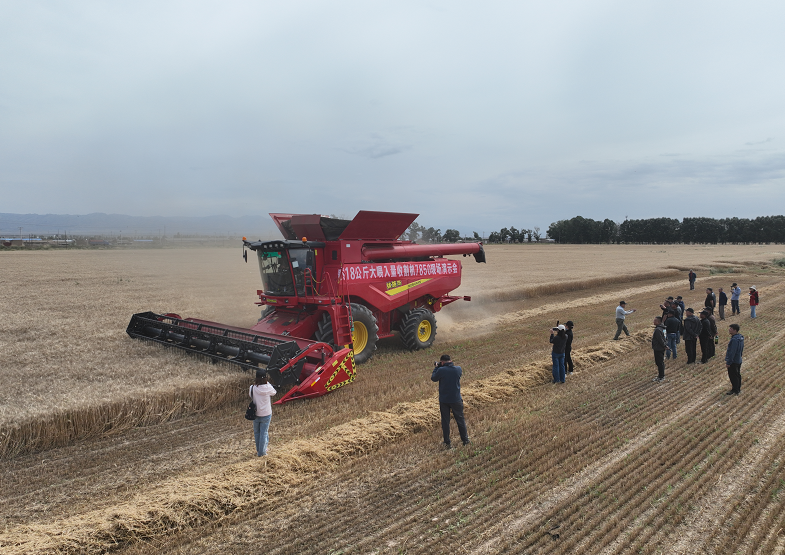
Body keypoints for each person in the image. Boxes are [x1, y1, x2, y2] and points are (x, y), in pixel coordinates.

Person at [431, 354, 469, 448]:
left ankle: (447, 442)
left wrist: (436, 367)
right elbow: (453, 371)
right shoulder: (458, 369)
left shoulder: (441, 370)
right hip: (456, 399)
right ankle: (465, 440)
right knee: (460, 420)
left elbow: (433, 378)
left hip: (444, 400)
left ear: (442, 362)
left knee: (445, 421)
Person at [250, 370, 277, 457]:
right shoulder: (268, 388)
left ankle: (259, 449)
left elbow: (251, 395)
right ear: (265, 378)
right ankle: (262, 452)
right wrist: (267, 383)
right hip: (266, 414)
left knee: (257, 432)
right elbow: (274, 392)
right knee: (264, 433)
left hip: (255, 413)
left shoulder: (252, 388)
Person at [725, 323, 744, 395]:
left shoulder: (734, 340)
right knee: (737, 375)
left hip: (733, 361)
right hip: (738, 359)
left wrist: (729, 362)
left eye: (731, 329)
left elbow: (732, 352)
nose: (729, 330)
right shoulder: (740, 338)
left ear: (735, 330)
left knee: (733, 376)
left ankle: (735, 390)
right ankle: (737, 388)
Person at [651, 316, 667, 381]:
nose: (653, 322)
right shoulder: (663, 328)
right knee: (660, 362)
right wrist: (665, 344)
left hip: (658, 348)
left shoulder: (657, 330)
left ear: (658, 322)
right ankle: (660, 375)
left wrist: (664, 345)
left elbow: (660, 339)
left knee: (659, 362)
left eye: (654, 320)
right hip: (661, 348)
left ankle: (661, 376)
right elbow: (665, 337)